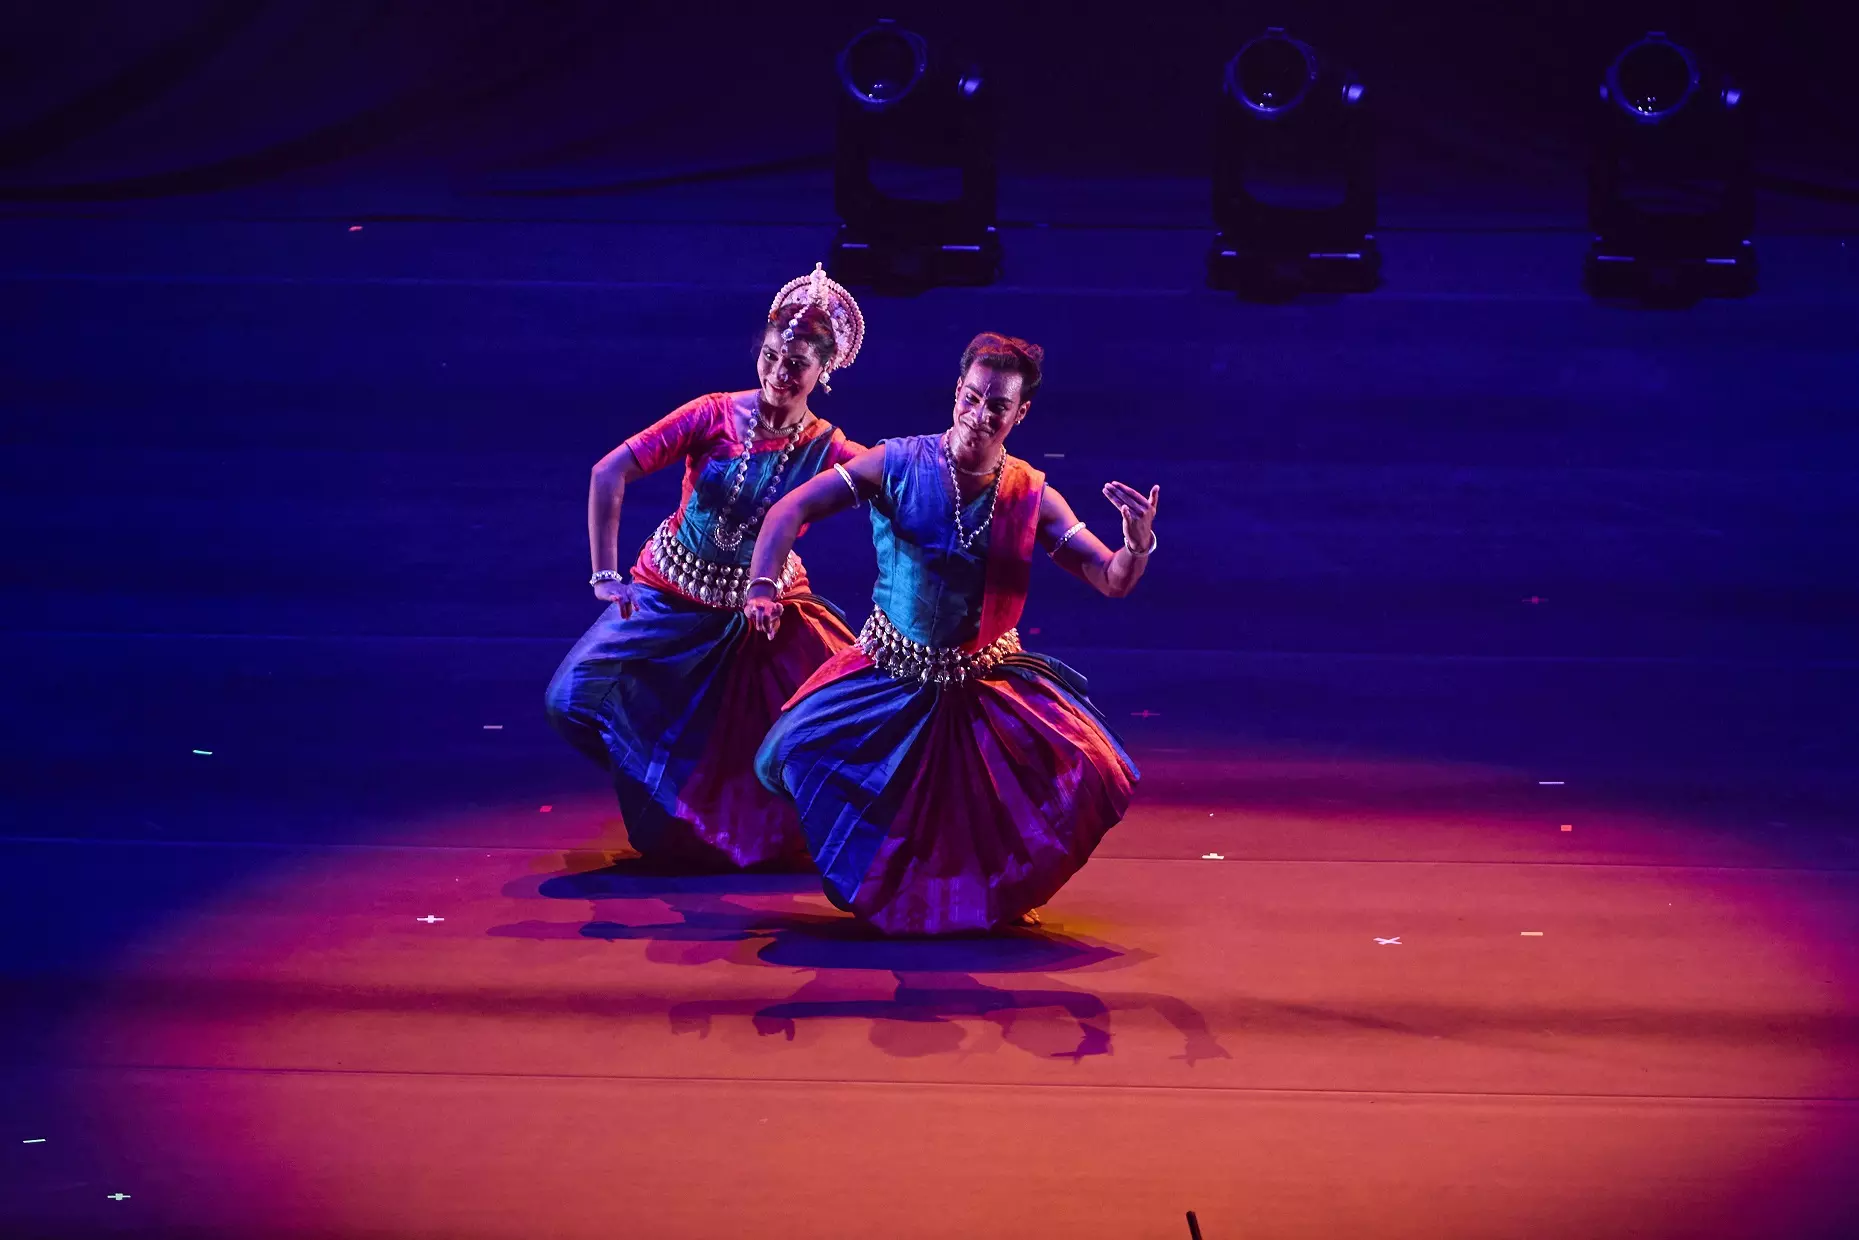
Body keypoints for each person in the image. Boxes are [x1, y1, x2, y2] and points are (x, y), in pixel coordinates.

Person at [745, 332, 1157, 932]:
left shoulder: (1031, 495)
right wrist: (762, 585)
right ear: (956, 393)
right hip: (890, 671)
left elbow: (1110, 577)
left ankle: (979, 900)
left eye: (997, 406)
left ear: (1021, 414)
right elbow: (791, 510)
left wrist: (1137, 543)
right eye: (971, 398)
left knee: (1090, 768)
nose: (980, 415)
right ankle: (870, 871)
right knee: (783, 755)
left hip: (982, 681)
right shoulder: (898, 463)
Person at [545, 266, 868, 868]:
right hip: (671, 593)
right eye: (770, 356)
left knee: (825, 731)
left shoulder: (830, 451)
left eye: (796, 364)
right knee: (570, 700)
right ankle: (670, 802)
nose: (777, 374)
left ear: (823, 372)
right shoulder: (713, 415)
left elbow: (904, 488)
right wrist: (603, 573)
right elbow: (607, 472)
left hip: (765, 617)